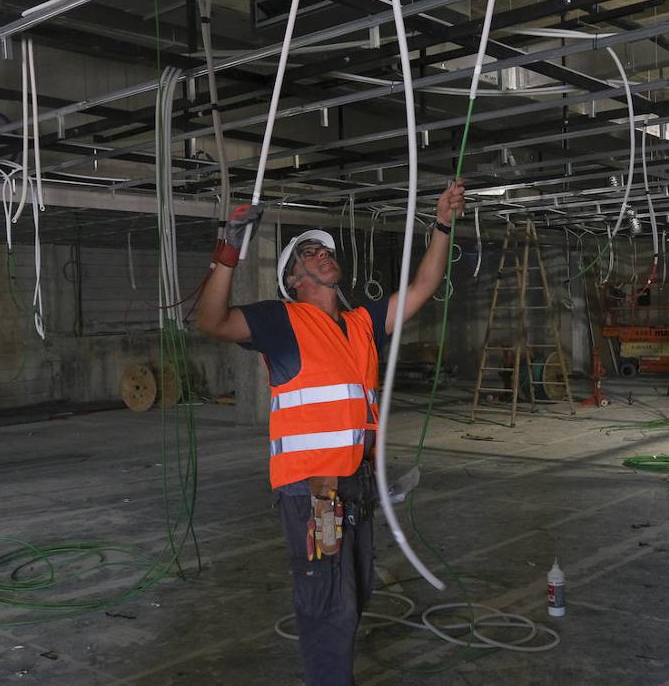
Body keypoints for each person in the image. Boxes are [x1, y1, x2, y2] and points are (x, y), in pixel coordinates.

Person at [196, 180, 466, 685]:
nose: (324, 255)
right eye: (311, 253)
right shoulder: (282, 321)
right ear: (293, 278)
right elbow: (210, 320)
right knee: (328, 602)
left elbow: (424, 286)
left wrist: (442, 223)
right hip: (315, 491)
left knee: (356, 591)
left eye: (325, 250)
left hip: (356, 486)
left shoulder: (361, 324)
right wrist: (228, 250)